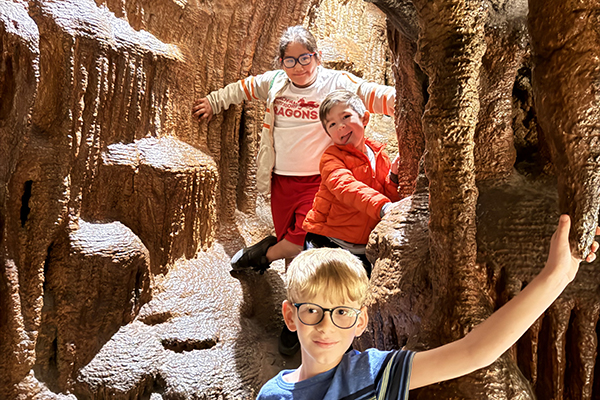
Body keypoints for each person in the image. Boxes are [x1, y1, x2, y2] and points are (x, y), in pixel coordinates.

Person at [256, 215, 599, 398]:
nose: (326, 326)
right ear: (290, 314)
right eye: (312, 310)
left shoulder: (372, 374)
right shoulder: (271, 395)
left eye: (342, 312)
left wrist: (555, 279)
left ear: (361, 322)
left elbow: (474, 351)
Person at [192, 26, 395, 275]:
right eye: (290, 60)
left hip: (318, 180)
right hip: (281, 179)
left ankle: (262, 256)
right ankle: (289, 290)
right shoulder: (276, 82)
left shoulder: (336, 81)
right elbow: (243, 88)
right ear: (281, 62)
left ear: (317, 56)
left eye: (304, 58)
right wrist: (214, 102)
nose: (298, 67)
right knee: (287, 235)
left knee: (301, 237)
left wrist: (403, 100)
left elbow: (371, 94)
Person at [303, 90, 401, 278]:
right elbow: (345, 187)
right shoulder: (331, 158)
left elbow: (389, 195)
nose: (340, 126)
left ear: (364, 118)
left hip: (365, 249)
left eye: (346, 117)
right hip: (328, 242)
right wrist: (384, 207)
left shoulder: (380, 155)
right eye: (332, 124)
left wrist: (394, 177)